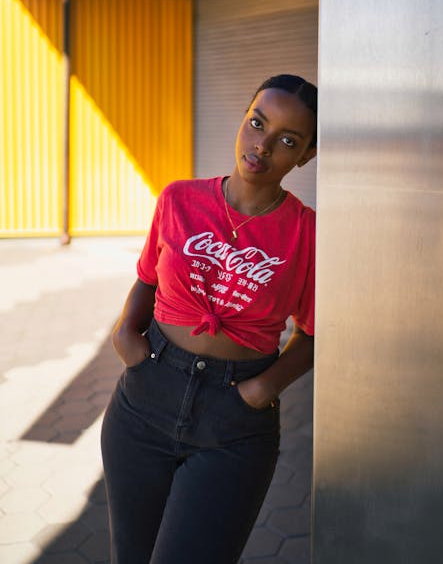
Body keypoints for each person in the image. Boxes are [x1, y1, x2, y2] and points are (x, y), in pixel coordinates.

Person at [101, 73, 317, 564]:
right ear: (244, 119)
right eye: (257, 123)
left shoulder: (307, 232)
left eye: (288, 140)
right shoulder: (179, 198)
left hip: (235, 422)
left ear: (305, 156)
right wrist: (126, 335)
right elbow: (147, 276)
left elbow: (312, 331)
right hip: (144, 399)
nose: (262, 145)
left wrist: (262, 390)